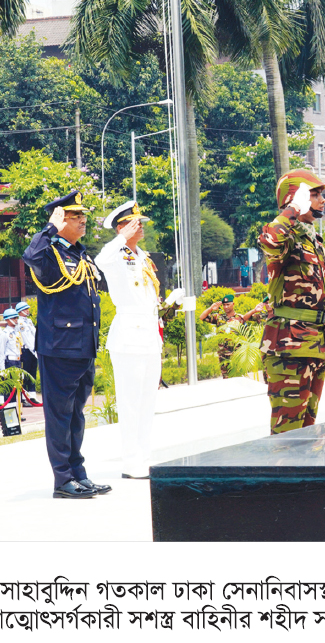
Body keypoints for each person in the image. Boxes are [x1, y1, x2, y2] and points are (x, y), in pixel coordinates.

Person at [22, 190, 108, 499]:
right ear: (60, 220)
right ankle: (62, 479)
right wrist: (50, 228)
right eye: (74, 216)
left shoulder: (79, 253)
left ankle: (78, 473)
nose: (83, 220)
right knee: (59, 415)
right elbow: (29, 257)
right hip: (59, 346)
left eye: (83, 215)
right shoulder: (50, 252)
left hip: (83, 345)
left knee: (76, 414)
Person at [95, 201, 184, 479]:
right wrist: (120, 238)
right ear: (121, 227)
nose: (141, 226)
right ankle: (130, 461)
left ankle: (143, 456)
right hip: (129, 336)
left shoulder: (143, 256)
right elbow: (100, 260)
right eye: (135, 223)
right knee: (130, 401)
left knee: (147, 401)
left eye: (140, 222)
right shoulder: (116, 254)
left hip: (149, 334)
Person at [259, 169, 325, 434]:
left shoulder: (311, 238)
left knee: (307, 429)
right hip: (289, 345)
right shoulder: (284, 236)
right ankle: (279, 475)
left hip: (314, 342)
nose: (322, 200)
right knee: (287, 430)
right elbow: (271, 240)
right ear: (296, 199)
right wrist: (292, 209)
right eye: (314, 194)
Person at [200, 294, 242, 379]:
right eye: (224, 305)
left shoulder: (239, 318)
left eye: (228, 304)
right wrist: (211, 308)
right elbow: (202, 317)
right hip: (223, 354)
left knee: (238, 377)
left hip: (236, 353)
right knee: (226, 378)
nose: (226, 307)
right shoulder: (219, 317)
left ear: (233, 304)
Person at [14, 302, 37, 398]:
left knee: (33, 372)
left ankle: (32, 396)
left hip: (33, 350)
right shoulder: (20, 323)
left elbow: (34, 334)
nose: (28, 310)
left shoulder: (29, 321)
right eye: (26, 309)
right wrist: (34, 350)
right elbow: (27, 339)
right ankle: (25, 396)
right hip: (26, 351)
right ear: (21, 311)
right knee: (26, 373)